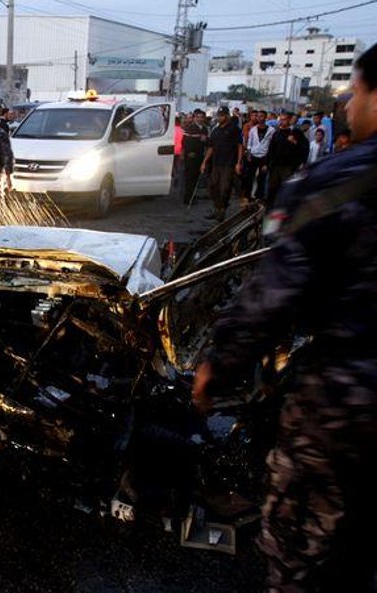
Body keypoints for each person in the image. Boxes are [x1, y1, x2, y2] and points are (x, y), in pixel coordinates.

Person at [193, 43, 377, 593]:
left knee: (305, 552)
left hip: (347, 403)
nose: (347, 102)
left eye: (357, 90)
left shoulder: (338, 180)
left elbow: (273, 293)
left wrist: (218, 366)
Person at [200, 107, 244, 221]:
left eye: (222, 116)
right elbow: (211, 147)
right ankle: (216, 208)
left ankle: (222, 210)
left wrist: (238, 163)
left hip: (229, 163)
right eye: (219, 116)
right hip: (216, 163)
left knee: (225, 187)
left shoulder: (234, 129)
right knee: (213, 186)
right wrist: (204, 162)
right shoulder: (216, 130)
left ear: (227, 116)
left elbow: (240, 146)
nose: (219, 118)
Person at [267, 112, 310, 208]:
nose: (281, 121)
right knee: (272, 189)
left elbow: (304, 149)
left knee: (286, 189)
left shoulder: (296, 133)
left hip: (288, 167)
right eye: (280, 119)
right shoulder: (277, 133)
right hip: (275, 167)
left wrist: (294, 142)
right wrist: (268, 163)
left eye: (284, 119)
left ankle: (285, 209)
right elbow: (271, 149)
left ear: (290, 120)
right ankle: (270, 209)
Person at [241, 110, 274, 203]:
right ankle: (247, 196)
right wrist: (248, 153)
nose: (259, 118)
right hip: (253, 155)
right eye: (258, 116)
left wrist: (267, 161)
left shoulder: (271, 130)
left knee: (262, 178)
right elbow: (250, 143)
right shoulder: (253, 129)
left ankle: (259, 197)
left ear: (265, 117)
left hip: (264, 156)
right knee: (249, 177)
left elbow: (272, 145)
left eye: (261, 116)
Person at [181, 109, 209, 205]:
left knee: (196, 177)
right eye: (198, 117)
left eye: (202, 117)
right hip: (191, 156)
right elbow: (185, 142)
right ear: (195, 118)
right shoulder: (190, 128)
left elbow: (207, 142)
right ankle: (188, 198)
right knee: (190, 178)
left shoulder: (205, 129)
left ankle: (193, 195)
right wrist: (188, 152)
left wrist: (205, 140)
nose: (200, 119)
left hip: (200, 156)